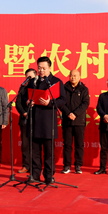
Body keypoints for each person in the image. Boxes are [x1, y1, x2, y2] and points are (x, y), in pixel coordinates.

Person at [26, 56, 66, 184]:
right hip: (34, 120)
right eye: (39, 68)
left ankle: (49, 176)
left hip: (48, 121)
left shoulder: (56, 82)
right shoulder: (33, 81)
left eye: (44, 68)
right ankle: (35, 175)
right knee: (35, 151)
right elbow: (25, 97)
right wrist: (28, 102)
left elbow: (63, 100)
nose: (41, 71)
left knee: (49, 152)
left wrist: (50, 103)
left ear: (49, 68)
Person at [60, 70, 90, 174]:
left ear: (79, 77)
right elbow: (60, 102)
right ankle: (67, 166)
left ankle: (78, 166)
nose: (73, 77)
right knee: (67, 144)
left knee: (79, 144)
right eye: (71, 75)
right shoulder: (64, 88)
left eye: (75, 75)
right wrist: (68, 113)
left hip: (79, 121)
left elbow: (85, 103)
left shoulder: (84, 89)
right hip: (67, 120)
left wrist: (75, 114)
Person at [15, 68, 37, 174]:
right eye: (27, 77)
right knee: (25, 144)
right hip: (25, 119)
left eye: (31, 77)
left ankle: (35, 166)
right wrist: (24, 113)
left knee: (35, 144)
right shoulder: (23, 87)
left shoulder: (39, 86)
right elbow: (18, 103)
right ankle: (26, 165)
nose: (29, 79)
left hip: (37, 119)